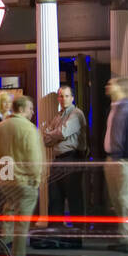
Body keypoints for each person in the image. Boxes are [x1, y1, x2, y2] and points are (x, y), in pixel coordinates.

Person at [0, 94, 44, 256]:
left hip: (4, 181)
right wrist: (36, 179)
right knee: (22, 223)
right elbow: (35, 159)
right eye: (30, 108)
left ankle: (5, 247)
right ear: (22, 109)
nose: (32, 112)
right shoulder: (29, 129)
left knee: (8, 212)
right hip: (24, 182)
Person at [103, 75, 128, 253]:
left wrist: (127, 157)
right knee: (119, 200)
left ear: (119, 87)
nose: (107, 86)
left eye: (110, 84)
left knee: (127, 200)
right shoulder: (116, 108)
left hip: (123, 161)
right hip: (114, 159)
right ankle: (124, 237)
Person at [42, 84, 86, 227]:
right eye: (61, 96)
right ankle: (54, 233)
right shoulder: (58, 116)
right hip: (57, 160)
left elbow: (62, 132)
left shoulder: (76, 113)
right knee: (55, 197)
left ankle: (78, 233)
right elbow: (46, 140)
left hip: (71, 158)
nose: (63, 99)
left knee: (74, 197)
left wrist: (52, 133)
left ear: (72, 98)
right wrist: (54, 134)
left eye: (67, 96)